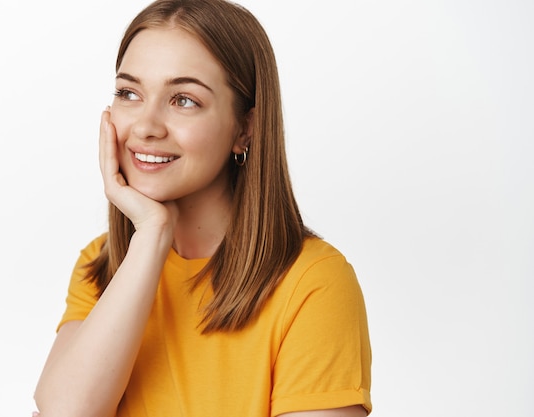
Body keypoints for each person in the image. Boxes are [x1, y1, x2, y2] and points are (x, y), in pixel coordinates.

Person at [33, 0, 372, 416]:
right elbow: (65, 411)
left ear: (244, 128)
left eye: (184, 100)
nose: (145, 126)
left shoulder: (312, 283)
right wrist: (153, 234)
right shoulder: (104, 264)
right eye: (129, 93)